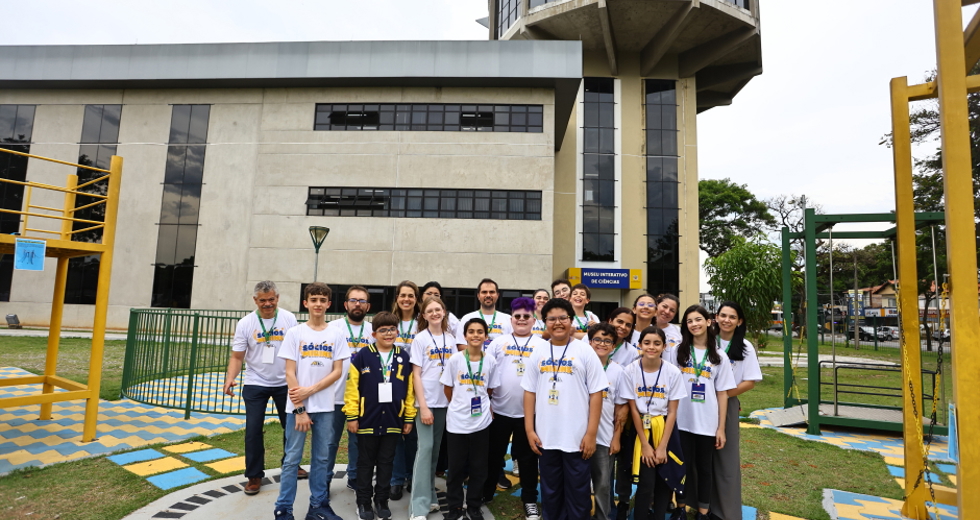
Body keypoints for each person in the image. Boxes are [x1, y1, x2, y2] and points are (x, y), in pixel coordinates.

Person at [522, 298, 606, 520]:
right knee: (550, 492)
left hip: (577, 439)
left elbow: (596, 394)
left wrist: (591, 433)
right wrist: (529, 430)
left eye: (563, 318)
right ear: (544, 322)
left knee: (578, 494)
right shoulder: (538, 352)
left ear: (571, 321)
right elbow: (529, 392)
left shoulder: (585, 352)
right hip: (546, 437)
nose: (557, 323)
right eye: (552, 319)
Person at [274, 282, 350, 520]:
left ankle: (317, 506)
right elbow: (289, 373)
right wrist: (300, 408)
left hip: (326, 408)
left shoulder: (336, 334)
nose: (318, 304)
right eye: (313, 299)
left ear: (329, 304)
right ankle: (283, 508)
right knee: (292, 459)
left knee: (322, 459)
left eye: (322, 300)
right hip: (297, 409)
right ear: (306, 303)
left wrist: (311, 391)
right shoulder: (295, 333)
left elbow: (338, 371)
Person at [223, 280, 302, 496]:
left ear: (277, 298)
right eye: (263, 300)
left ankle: (292, 465)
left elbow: (296, 352)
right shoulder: (246, 323)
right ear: (255, 300)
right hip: (255, 382)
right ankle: (254, 475)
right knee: (253, 430)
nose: (267, 304)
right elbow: (237, 357)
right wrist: (230, 378)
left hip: (285, 383)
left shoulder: (288, 319)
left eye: (271, 300)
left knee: (293, 426)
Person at [664, 305, 736, 520]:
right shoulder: (677, 352)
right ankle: (681, 508)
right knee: (681, 467)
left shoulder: (719, 357)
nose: (694, 324)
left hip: (706, 422)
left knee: (705, 469)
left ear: (708, 322)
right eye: (689, 321)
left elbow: (723, 394)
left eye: (698, 319)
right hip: (680, 420)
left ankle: (703, 512)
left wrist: (721, 428)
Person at [344, 311, 417, 520]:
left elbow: (410, 390)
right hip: (367, 420)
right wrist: (352, 416)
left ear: (397, 331)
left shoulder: (403, 356)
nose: (388, 334)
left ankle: (381, 500)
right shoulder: (362, 356)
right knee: (365, 463)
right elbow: (352, 389)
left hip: (394, 420)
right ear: (374, 333)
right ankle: (364, 502)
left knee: (387, 462)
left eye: (392, 329)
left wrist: (409, 417)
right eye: (383, 330)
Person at [483, 298, 548, 520]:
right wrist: (486, 404)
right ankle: (486, 493)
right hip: (499, 411)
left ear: (534, 320)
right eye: (517, 316)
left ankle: (529, 500)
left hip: (529, 416)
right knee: (493, 456)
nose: (521, 320)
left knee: (528, 459)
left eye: (526, 316)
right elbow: (486, 376)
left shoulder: (542, 345)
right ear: (511, 319)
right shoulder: (497, 343)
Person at [619, 327, 686, 520]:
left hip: (665, 429)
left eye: (657, 343)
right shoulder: (630, 371)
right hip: (641, 430)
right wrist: (646, 446)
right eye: (647, 342)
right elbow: (633, 409)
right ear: (639, 345)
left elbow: (672, 411)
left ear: (664, 346)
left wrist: (663, 446)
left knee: (664, 481)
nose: (651, 347)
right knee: (646, 483)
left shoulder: (672, 372)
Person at [441, 318, 499, 520]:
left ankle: (474, 505)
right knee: (455, 469)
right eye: (471, 331)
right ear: (465, 335)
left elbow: (490, 388)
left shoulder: (490, 360)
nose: (475, 335)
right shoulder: (455, 359)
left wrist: (483, 404)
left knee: (478, 468)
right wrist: (459, 404)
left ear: (485, 336)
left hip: (481, 423)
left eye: (480, 332)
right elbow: (448, 388)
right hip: (457, 422)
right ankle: (455, 506)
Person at [710, 302, 763, 520]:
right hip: (699, 403)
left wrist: (723, 394)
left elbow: (750, 381)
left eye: (732, 317)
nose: (727, 320)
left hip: (727, 403)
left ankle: (725, 512)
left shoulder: (745, 347)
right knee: (699, 457)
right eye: (723, 315)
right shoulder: (706, 340)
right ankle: (701, 505)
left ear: (739, 321)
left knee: (726, 458)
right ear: (716, 317)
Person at [408, 297, 454, 520]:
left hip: (445, 403)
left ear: (444, 312)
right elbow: (416, 374)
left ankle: (431, 497)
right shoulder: (420, 339)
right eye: (430, 311)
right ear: (424, 316)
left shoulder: (451, 339)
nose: (435, 313)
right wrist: (423, 407)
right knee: (424, 450)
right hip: (426, 403)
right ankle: (418, 507)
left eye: (438, 309)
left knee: (435, 452)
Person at [326, 286, 374, 492]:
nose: (358, 304)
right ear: (345, 304)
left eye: (362, 301)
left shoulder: (373, 330)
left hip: (362, 398)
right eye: (353, 300)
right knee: (330, 443)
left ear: (368, 306)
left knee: (358, 442)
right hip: (334, 396)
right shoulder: (332, 328)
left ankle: (354, 477)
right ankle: (324, 480)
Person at [587, 323, 627, 520]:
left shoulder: (618, 371)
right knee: (579, 480)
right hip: (578, 435)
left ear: (613, 346)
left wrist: (616, 437)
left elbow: (621, 408)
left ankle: (602, 516)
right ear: (589, 342)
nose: (602, 344)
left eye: (607, 341)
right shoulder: (579, 365)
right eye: (598, 339)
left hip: (604, 436)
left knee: (603, 483)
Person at [391, 280, 421, 500]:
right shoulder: (391, 321)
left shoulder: (423, 322)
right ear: (397, 298)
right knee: (394, 433)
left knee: (412, 434)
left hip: (417, 383)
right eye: (403, 295)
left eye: (411, 295)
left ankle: (412, 475)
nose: (406, 299)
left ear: (416, 299)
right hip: (392, 384)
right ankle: (395, 479)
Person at [456, 278, 513, 349]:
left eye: (492, 292)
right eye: (484, 292)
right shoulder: (467, 318)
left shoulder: (508, 319)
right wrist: (480, 357)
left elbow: (514, 343)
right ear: (478, 295)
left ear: (497, 295)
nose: (488, 295)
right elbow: (461, 345)